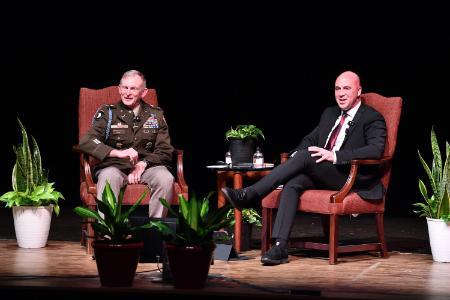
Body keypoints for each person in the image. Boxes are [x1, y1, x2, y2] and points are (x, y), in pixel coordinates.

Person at [222, 71, 387, 265]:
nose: (341, 93)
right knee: (294, 181)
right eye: (337, 88)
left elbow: (375, 150)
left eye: (347, 88)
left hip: (351, 176)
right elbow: (310, 139)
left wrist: (334, 155)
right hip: (325, 173)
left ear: (359, 91)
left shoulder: (372, 117)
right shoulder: (330, 113)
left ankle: (250, 194)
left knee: (307, 156)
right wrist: (296, 157)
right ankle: (280, 247)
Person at [79, 70, 174, 218]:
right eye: (125, 88)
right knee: (108, 176)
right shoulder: (108, 113)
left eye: (133, 88)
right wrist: (118, 152)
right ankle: (108, 234)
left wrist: (143, 164)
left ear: (143, 92)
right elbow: (86, 141)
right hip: (114, 166)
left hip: (147, 168)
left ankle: (155, 232)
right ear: (119, 89)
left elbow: (165, 149)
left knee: (165, 177)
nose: (127, 93)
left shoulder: (156, 115)